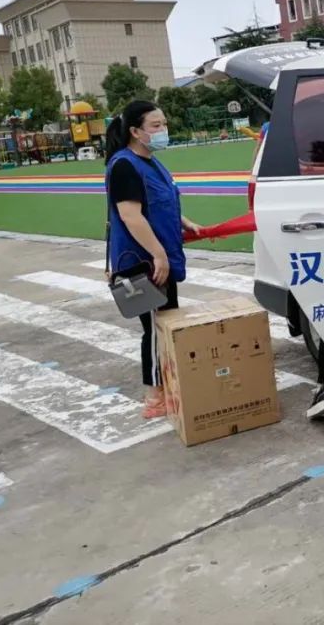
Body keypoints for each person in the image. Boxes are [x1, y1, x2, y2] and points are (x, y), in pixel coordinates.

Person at [104, 101, 202, 419]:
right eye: (156, 126)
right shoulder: (124, 165)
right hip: (142, 262)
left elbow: (158, 202)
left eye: (164, 124)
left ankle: (168, 389)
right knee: (156, 328)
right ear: (135, 131)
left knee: (166, 322)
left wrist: (184, 222)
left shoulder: (152, 163)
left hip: (160, 259)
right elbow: (130, 215)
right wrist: (158, 254)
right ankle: (154, 397)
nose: (163, 131)